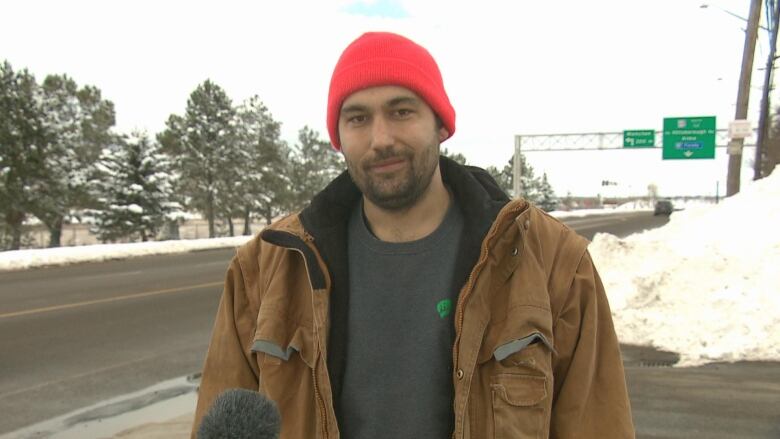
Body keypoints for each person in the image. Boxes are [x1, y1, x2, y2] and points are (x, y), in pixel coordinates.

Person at [192, 31, 635, 439]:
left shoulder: (553, 261)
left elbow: (597, 423)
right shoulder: (266, 268)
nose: (380, 138)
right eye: (358, 118)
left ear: (441, 124)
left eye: (401, 111)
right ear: (338, 137)